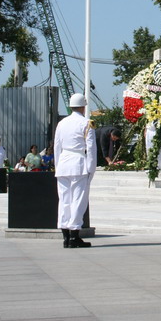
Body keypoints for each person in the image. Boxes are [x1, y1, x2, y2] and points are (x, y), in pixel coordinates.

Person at [53, 92, 97, 249]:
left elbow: (57, 147)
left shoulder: (61, 123)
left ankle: (65, 236)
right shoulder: (86, 123)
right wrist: (91, 169)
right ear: (83, 107)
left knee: (64, 200)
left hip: (63, 164)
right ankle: (74, 236)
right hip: (78, 164)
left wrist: (58, 166)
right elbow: (91, 149)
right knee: (78, 200)